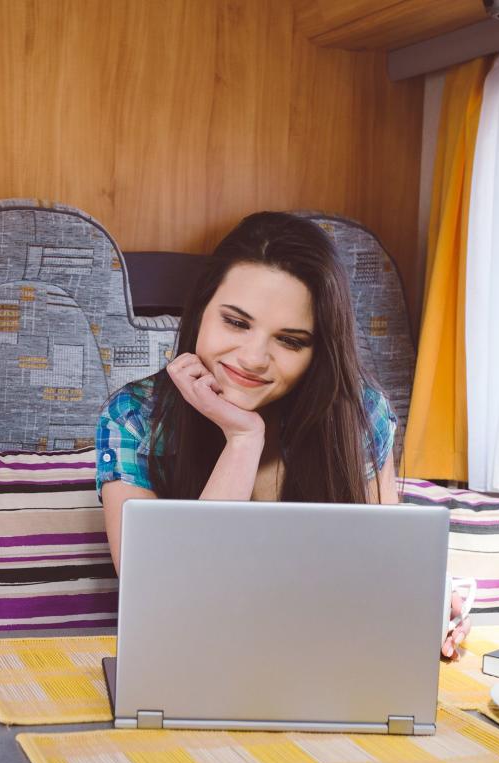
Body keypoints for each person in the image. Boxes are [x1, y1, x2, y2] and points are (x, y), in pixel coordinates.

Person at [96, 212, 471, 658]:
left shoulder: (359, 415)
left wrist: (425, 602)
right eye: (236, 322)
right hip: (192, 660)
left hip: (324, 664)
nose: (254, 358)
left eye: (290, 341)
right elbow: (164, 602)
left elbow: (383, 569)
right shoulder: (136, 416)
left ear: (318, 352)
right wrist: (243, 439)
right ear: (200, 312)